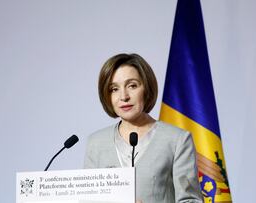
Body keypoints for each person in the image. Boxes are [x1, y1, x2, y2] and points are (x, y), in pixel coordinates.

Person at [84, 53, 203, 203]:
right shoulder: (96, 143)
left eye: (132, 86)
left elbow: (191, 200)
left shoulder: (177, 140)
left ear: (146, 88)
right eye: (114, 89)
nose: (124, 96)